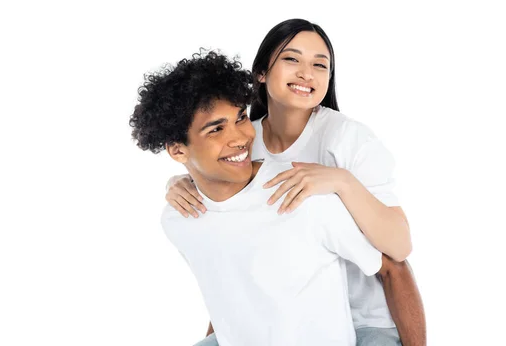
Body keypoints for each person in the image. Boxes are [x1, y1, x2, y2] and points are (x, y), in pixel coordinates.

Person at [130, 51, 425, 346]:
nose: (241, 137)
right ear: (178, 151)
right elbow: (228, 290)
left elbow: (393, 267)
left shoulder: (302, 198)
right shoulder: (178, 219)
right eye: (217, 129)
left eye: (241, 118)